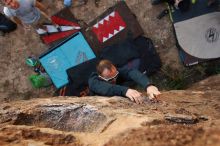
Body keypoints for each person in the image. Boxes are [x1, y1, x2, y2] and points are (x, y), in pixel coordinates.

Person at [88, 60, 161, 104]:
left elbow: (132, 72)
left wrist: (148, 85)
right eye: (110, 79)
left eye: (115, 76)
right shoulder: (94, 82)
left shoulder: (117, 71)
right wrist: (126, 91)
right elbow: (108, 89)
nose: (114, 80)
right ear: (101, 77)